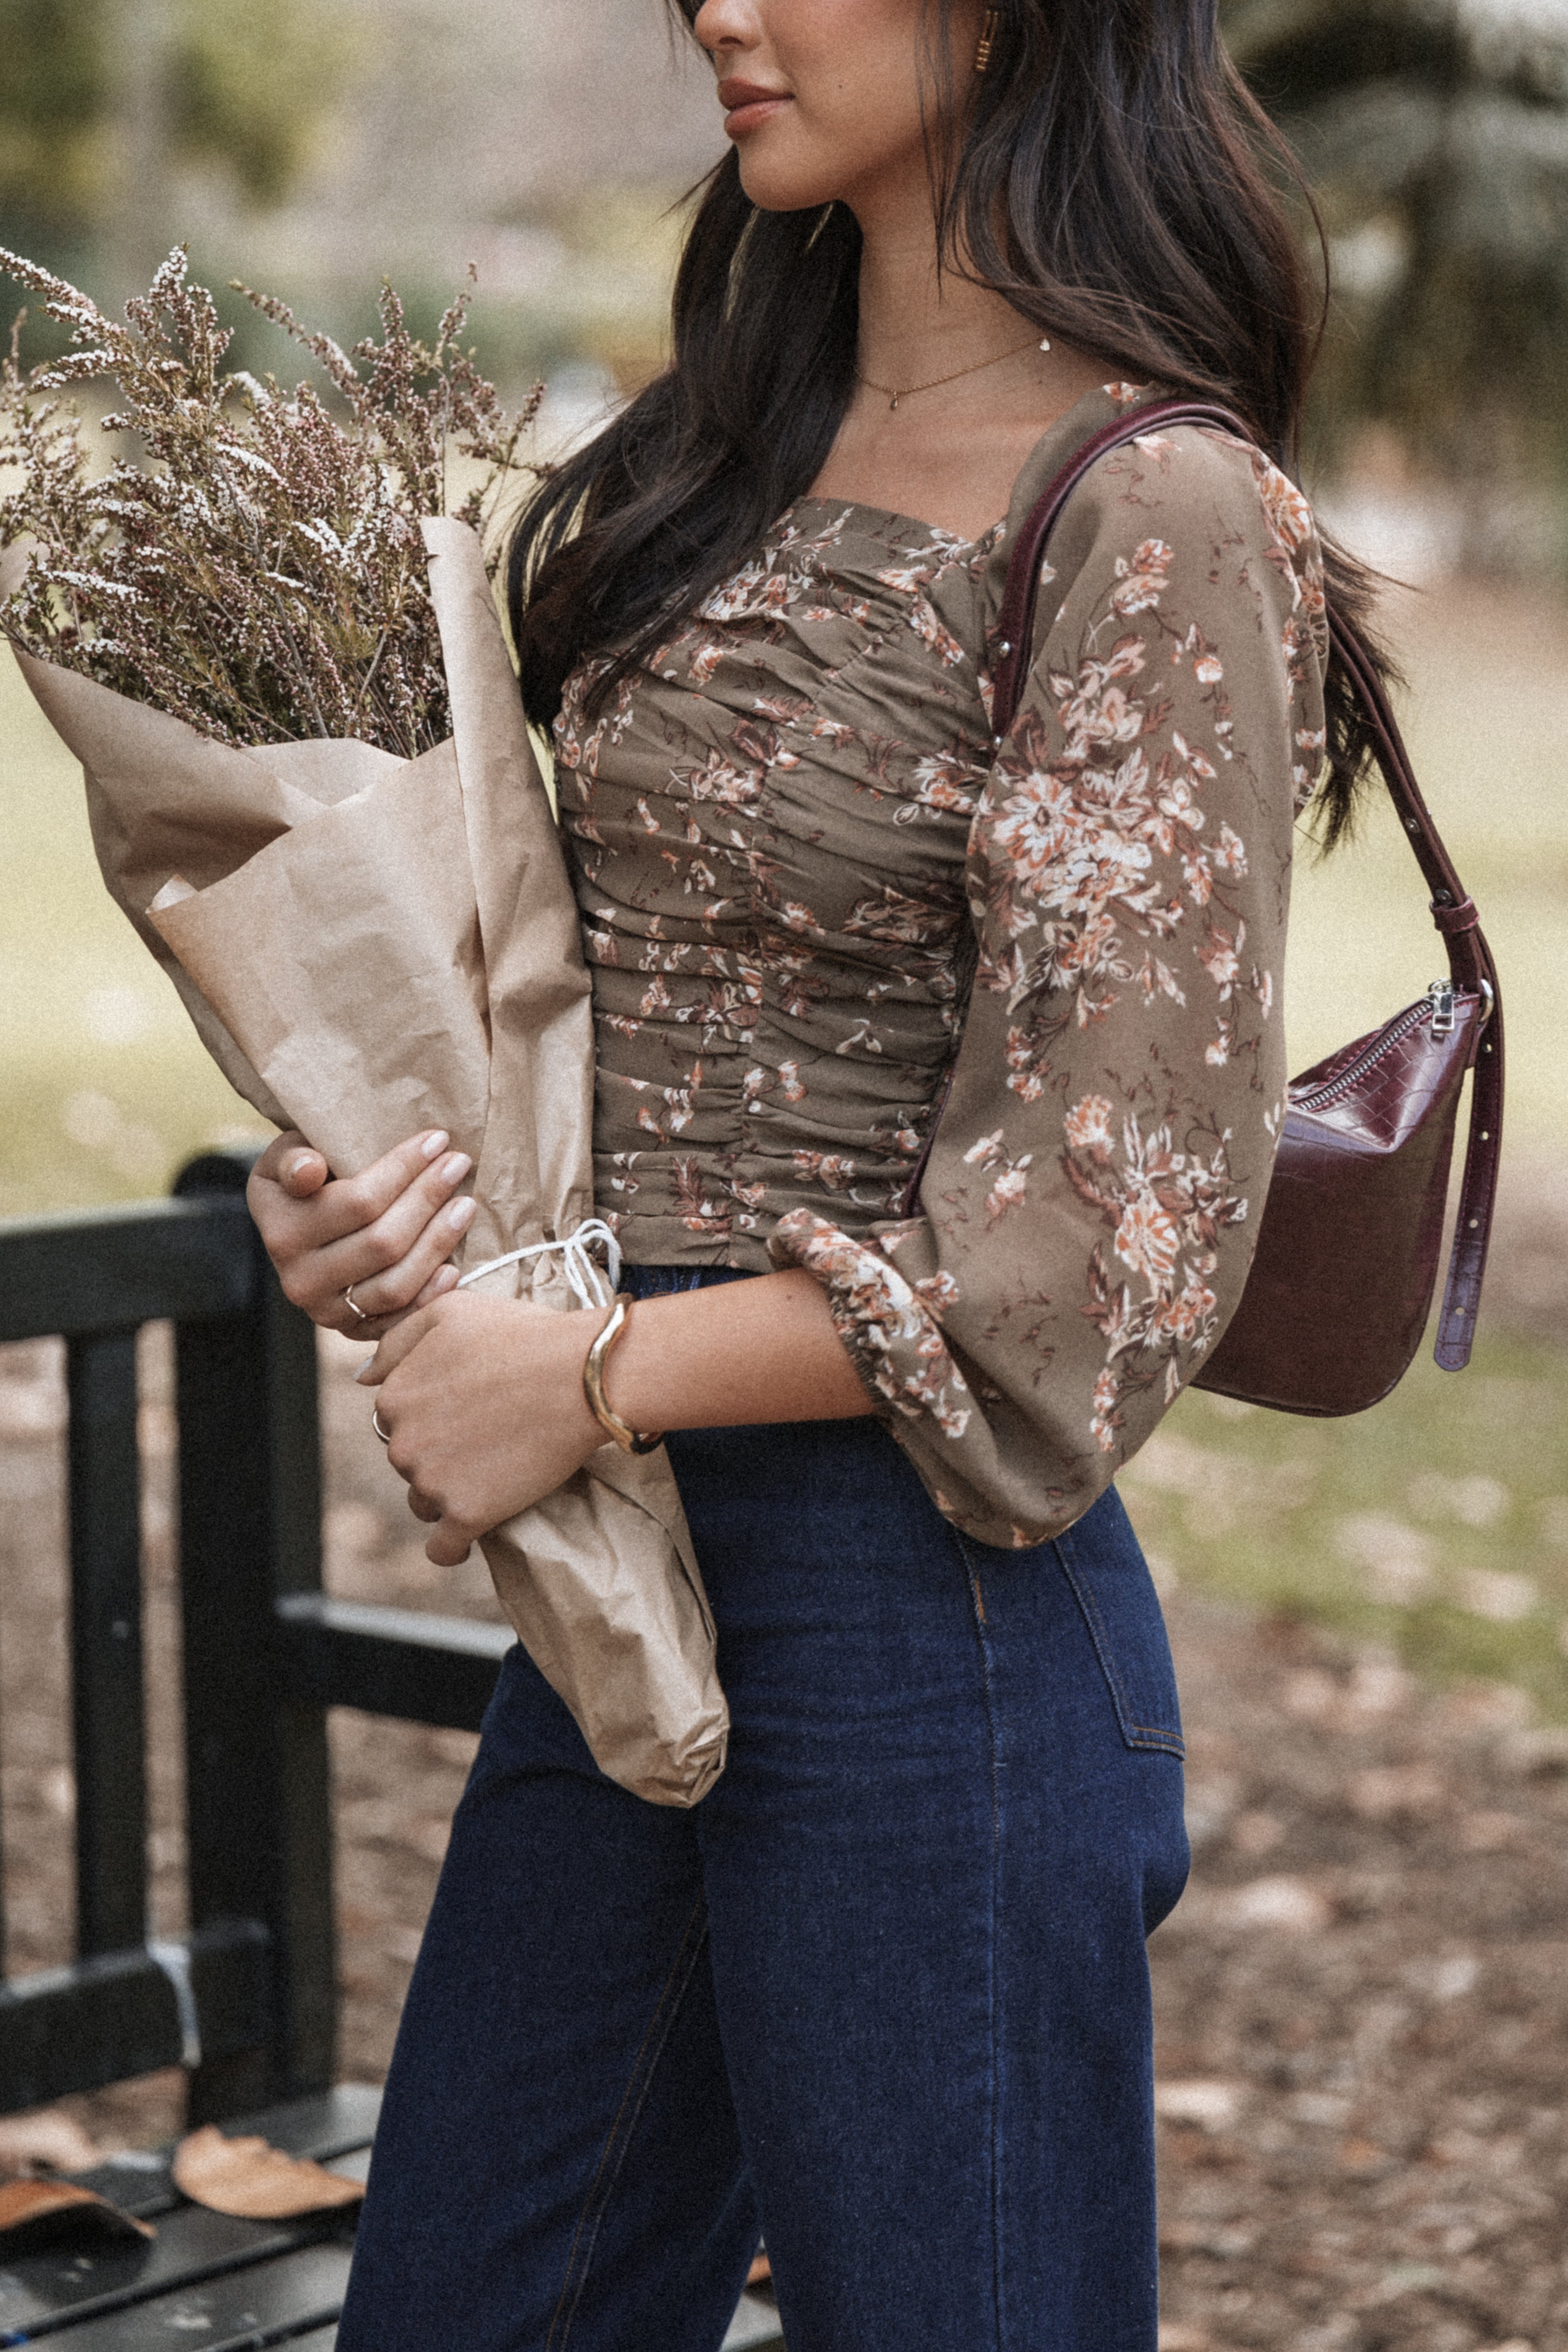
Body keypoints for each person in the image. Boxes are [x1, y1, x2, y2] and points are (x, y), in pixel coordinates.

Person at [247, 3, 1382, 2345]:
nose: (716, 11)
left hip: (926, 1617)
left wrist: (589, 1369)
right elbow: (584, 994)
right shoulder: (717, 453)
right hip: (633, 1577)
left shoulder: (1151, 504)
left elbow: (1086, 1270)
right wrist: (381, 1197)